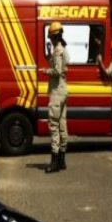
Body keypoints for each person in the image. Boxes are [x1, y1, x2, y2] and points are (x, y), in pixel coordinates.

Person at [42, 21, 69, 173]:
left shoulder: (58, 51)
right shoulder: (62, 50)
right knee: (62, 125)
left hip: (57, 92)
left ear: (53, 36)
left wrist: (45, 71)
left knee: (54, 126)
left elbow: (57, 71)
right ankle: (62, 160)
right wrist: (48, 55)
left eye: (50, 37)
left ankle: (54, 163)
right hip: (63, 90)